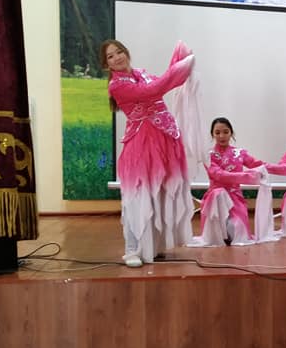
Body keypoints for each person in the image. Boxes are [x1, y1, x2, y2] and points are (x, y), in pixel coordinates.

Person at [101, 38, 195, 266]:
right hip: (141, 143)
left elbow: (163, 82)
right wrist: (180, 66)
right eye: (110, 56)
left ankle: (153, 246)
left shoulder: (142, 74)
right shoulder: (117, 85)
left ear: (126, 52)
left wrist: (179, 61)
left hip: (163, 138)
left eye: (119, 52)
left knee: (160, 192)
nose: (117, 58)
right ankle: (132, 250)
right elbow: (154, 90)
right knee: (138, 196)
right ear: (106, 65)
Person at [197, 117, 270, 247]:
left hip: (235, 197)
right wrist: (246, 177)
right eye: (217, 132)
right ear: (212, 135)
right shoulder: (208, 155)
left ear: (231, 133)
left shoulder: (239, 153)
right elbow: (219, 175)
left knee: (237, 230)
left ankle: (229, 232)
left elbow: (259, 165)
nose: (222, 136)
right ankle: (219, 232)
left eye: (225, 132)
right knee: (219, 193)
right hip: (216, 198)